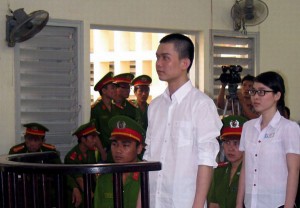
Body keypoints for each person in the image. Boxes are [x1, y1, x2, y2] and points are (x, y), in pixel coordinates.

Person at [141, 33, 222, 208]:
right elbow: (148, 157)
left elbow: (206, 160)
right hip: (154, 199)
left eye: (165, 58)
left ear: (184, 63)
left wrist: (198, 205)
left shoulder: (201, 105)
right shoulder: (155, 106)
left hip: (183, 201)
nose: (158, 64)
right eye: (157, 57)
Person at [236, 71, 300, 208]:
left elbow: (294, 170)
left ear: (277, 95)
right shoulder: (248, 127)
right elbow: (245, 169)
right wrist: (238, 204)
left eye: (262, 92)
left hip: (277, 204)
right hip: (251, 203)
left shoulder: (289, 128)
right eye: (253, 92)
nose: (255, 97)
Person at [94, 115, 145, 208]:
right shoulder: (104, 179)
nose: (118, 150)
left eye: (125, 145)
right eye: (114, 144)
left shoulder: (146, 178)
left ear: (139, 149)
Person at [9, 122, 61, 208]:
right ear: (25, 139)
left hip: (44, 187)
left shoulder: (50, 151)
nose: (32, 143)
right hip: (24, 188)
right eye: (29, 139)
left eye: (36, 140)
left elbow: (59, 170)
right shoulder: (16, 151)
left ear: (42, 141)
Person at [208, 115, 247, 208]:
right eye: (227, 142)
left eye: (236, 143)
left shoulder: (252, 173)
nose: (230, 148)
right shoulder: (218, 172)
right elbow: (213, 204)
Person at [64, 120, 100, 208]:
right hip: (79, 190)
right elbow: (80, 181)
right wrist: (95, 197)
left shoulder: (91, 152)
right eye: (92, 137)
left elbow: (95, 174)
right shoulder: (72, 156)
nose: (95, 141)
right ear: (83, 139)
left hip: (89, 186)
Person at [91, 71, 117, 161]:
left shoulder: (115, 108)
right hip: (104, 150)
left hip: (115, 149)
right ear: (104, 91)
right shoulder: (96, 109)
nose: (115, 91)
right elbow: (94, 133)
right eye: (112, 88)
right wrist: (102, 152)